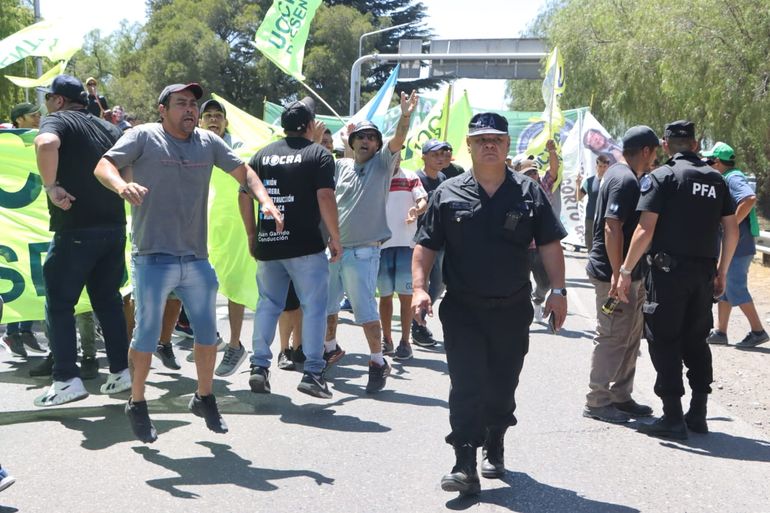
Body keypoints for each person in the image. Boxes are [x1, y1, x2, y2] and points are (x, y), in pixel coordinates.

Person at [94, 82, 283, 443]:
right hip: (153, 256)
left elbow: (246, 173)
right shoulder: (144, 137)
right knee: (147, 335)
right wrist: (121, 186)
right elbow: (104, 165)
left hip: (196, 258)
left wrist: (266, 202)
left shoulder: (209, 142)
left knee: (207, 334)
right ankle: (136, 401)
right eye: (181, 103)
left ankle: (204, 396)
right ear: (162, 109)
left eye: (193, 104)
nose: (190, 110)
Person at [412, 112, 568, 495]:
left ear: (507, 144)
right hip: (463, 307)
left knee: (502, 384)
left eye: (496, 139)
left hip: (513, 309)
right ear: (468, 145)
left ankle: (495, 438)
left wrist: (559, 291)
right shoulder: (447, 194)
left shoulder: (529, 193)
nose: (489, 145)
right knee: (466, 383)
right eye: (481, 139)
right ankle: (464, 460)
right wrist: (419, 288)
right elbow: (426, 245)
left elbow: (549, 243)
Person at [617, 120, 738, 440]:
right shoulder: (717, 180)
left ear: (667, 146)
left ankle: (672, 416)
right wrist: (722, 271)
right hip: (703, 274)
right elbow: (732, 229)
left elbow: (645, 229)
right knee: (696, 339)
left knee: (664, 339)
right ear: (696, 145)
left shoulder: (663, 177)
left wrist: (626, 271)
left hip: (668, 274)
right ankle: (698, 412)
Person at [33, 74, 131, 407]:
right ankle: (120, 372)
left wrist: (51, 187)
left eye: (49, 98)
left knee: (60, 304)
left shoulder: (57, 119)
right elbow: (127, 165)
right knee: (108, 301)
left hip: (75, 227)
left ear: (59, 100)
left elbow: (45, 144)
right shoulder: (107, 127)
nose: (47, 104)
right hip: (114, 227)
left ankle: (65, 379)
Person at [242, 97, 341, 398]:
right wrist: (336, 237)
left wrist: (251, 235)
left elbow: (244, 196)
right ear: (311, 125)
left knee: (268, 303)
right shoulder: (319, 155)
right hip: (306, 246)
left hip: (269, 243)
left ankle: (259, 366)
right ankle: (313, 371)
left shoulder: (261, 155)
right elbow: (325, 197)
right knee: (313, 307)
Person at [325, 90, 418, 394]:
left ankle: (378, 361)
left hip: (364, 253)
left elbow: (399, 139)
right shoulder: (340, 167)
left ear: (378, 145)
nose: (365, 141)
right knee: (327, 307)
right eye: (360, 137)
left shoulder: (382, 166)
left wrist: (404, 116)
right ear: (351, 144)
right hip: (334, 252)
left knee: (365, 311)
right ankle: (330, 348)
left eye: (371, 138)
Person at [583, 126, 659, 424]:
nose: (655, 159)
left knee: (630, 335)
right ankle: (597, 400)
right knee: (613, 335)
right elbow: (611, 226)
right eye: (655, 153)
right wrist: (619, 273)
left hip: (630, 272)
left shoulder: (624, 174)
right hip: (612, 274)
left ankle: (620, 395)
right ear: (645, 151)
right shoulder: (624, 179)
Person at [702, 142, 769, 348]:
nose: (708, 163)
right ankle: (721, 332)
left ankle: (758, 331)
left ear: (719, 163)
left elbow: (749, 198)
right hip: (735, 246)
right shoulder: (727, 177)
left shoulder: (733, 177)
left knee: (735, 287)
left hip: (738, 247)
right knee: (725, 289)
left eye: (711, 160)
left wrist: (731, 224)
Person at [378, 153, 428, 359]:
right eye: (391, 156)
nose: (395, 160)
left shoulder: (409, 176)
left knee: (406, 297)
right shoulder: (377, 177)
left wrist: (417, 210)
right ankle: (387, 339)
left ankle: (405, 341)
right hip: (381, 245)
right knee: (385, 296)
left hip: (406, 245)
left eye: (397, 156)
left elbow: (423, 199)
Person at [411, 139, 450, 347]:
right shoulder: (417, 179)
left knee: (439, 283)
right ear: (424, 156)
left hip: (440, 240)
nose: (440, 158)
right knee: (422, 283)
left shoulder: (443, 178)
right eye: (435, 154)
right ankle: (418, 326)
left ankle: (418, 319)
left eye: (444, 154)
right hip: (421, 241)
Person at [576, 155, 610, 251]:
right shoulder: (589, 181)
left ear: (608, 167)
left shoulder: (610, 181)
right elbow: (579, 197)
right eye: (600, 166)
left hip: (605, 216)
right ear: (596, 167)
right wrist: (578, 184)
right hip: (590, 216)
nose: (602, 169)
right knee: (589, 239)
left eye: (604, 166)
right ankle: (591, 257)